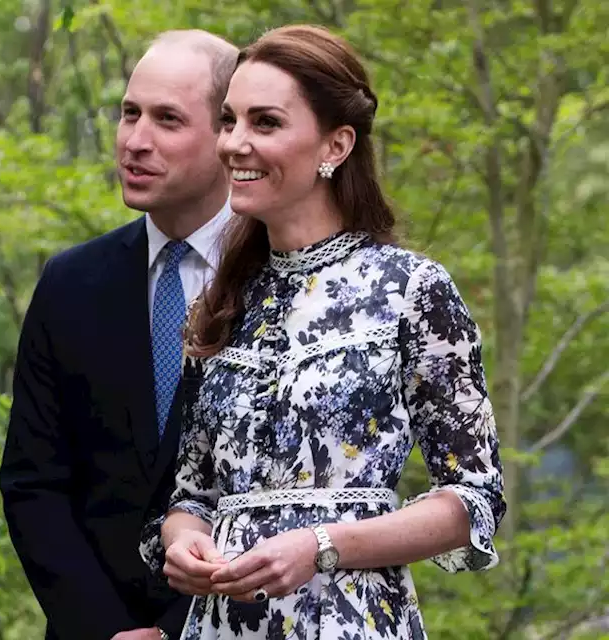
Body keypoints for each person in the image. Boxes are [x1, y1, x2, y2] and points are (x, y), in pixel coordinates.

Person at [138, 25, 506, 639]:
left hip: (353, 622)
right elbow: (192, 496)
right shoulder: (223, 301)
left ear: (335, 145)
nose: (235, 144)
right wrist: (184, 545)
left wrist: (321, 545)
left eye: (266, 123)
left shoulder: (411, 289)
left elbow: (473, 500)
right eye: (229, 121)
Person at [0, 30, 240, 640]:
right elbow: (34, 482)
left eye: (168, 120)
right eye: (129, 113)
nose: (135, 141)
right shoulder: (71, 281)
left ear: (227, 134)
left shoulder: (283, 286)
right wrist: (101, 628)